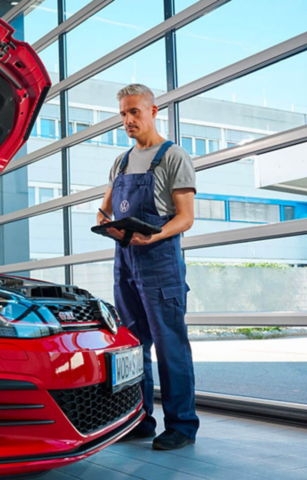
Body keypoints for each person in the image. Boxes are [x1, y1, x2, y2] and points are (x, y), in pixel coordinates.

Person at [97, 84, 199, 450]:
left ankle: (182, 425)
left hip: (160, 261)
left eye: (134, 112)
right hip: (125, 260)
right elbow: (104, 209)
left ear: (153, 111)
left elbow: (185, 218)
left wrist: (153, 236)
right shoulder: (121, 162)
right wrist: (107, 225)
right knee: (133, 345)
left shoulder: (174, 156)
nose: (127, 120)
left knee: (170, 344)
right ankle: (139, 418)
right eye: (123, 114)